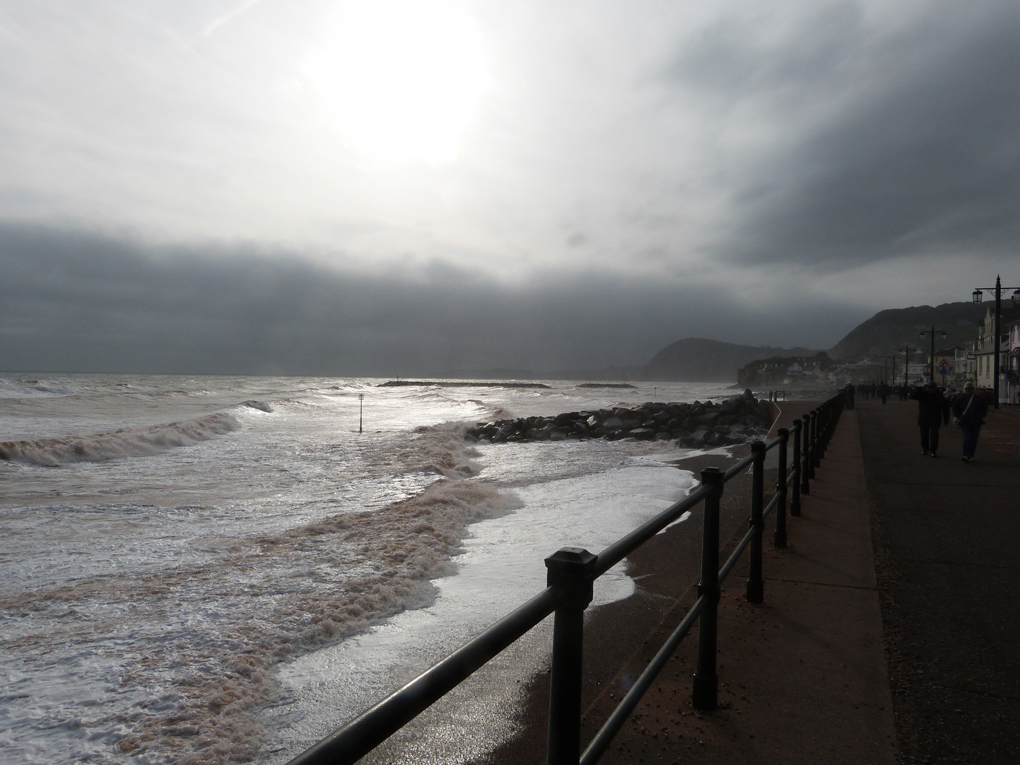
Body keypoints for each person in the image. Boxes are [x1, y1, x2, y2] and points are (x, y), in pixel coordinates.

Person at [951, 382, 989, 462]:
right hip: (965, 422)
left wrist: (980, 416)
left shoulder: (979, 399)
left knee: (974, 440)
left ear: (973, 389)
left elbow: (984, 409)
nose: (967, 390)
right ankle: (965, 455)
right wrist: (959, 416)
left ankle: (971, 455)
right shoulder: (960, 399)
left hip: (976, 422)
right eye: (966, 388)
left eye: (969, 388)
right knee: (967, 438)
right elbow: (955, 409)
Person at [910, 380, 949, 457]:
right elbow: (913, 396)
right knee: (924, 435)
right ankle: (925, 449)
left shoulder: (939, 396)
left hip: (935, 418)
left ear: (935, 388)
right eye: (928, 387)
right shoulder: (923, 394)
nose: (929, 389)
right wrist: (920, 388)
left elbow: (945, 409)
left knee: (934, 435)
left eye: (931, 388)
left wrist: (946, 420)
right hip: (924, 418)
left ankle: (933, 450)